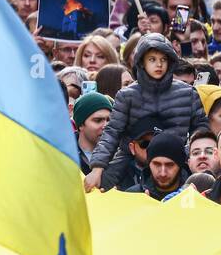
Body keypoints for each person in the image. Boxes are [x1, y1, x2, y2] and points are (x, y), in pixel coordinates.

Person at [84, 33, 206, 193]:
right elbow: (112, 132)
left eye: (163, 59)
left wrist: (188, 152)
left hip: (177, 158)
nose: (159, 64)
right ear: (142, 61)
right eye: (152, 59)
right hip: (131, 158)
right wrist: (97, 168)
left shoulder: (188, 93)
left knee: (203, 187)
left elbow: (201, 130)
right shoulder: (126, 95)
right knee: (97, 191)